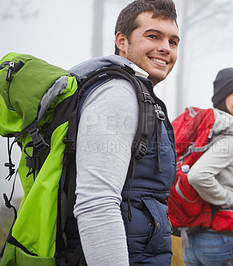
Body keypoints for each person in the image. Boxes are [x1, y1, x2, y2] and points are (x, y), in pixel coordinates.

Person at [69, 0, 179, 265]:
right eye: (153, 36)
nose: (165, 47)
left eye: (173, 42)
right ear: (122, 41)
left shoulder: (135, 92)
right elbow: (96, 204)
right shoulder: (118, 93)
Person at [183, 67, 233, 265]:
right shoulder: (230, 137)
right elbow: (197, 176)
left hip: (193, 241)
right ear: (222, 98)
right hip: (226, 241)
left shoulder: (208, 132)